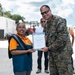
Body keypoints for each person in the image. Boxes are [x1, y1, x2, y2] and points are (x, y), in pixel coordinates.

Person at [40, 5, 73, 75]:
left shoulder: (59, 20)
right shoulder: (46, 25)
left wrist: (48, 48)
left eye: (46, 12)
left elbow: (62, 39)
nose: (44, 14)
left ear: (50, 11)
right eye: (42, 13)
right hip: (53, 56)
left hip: (63, 56)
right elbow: (46, 39)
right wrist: (43, 41)